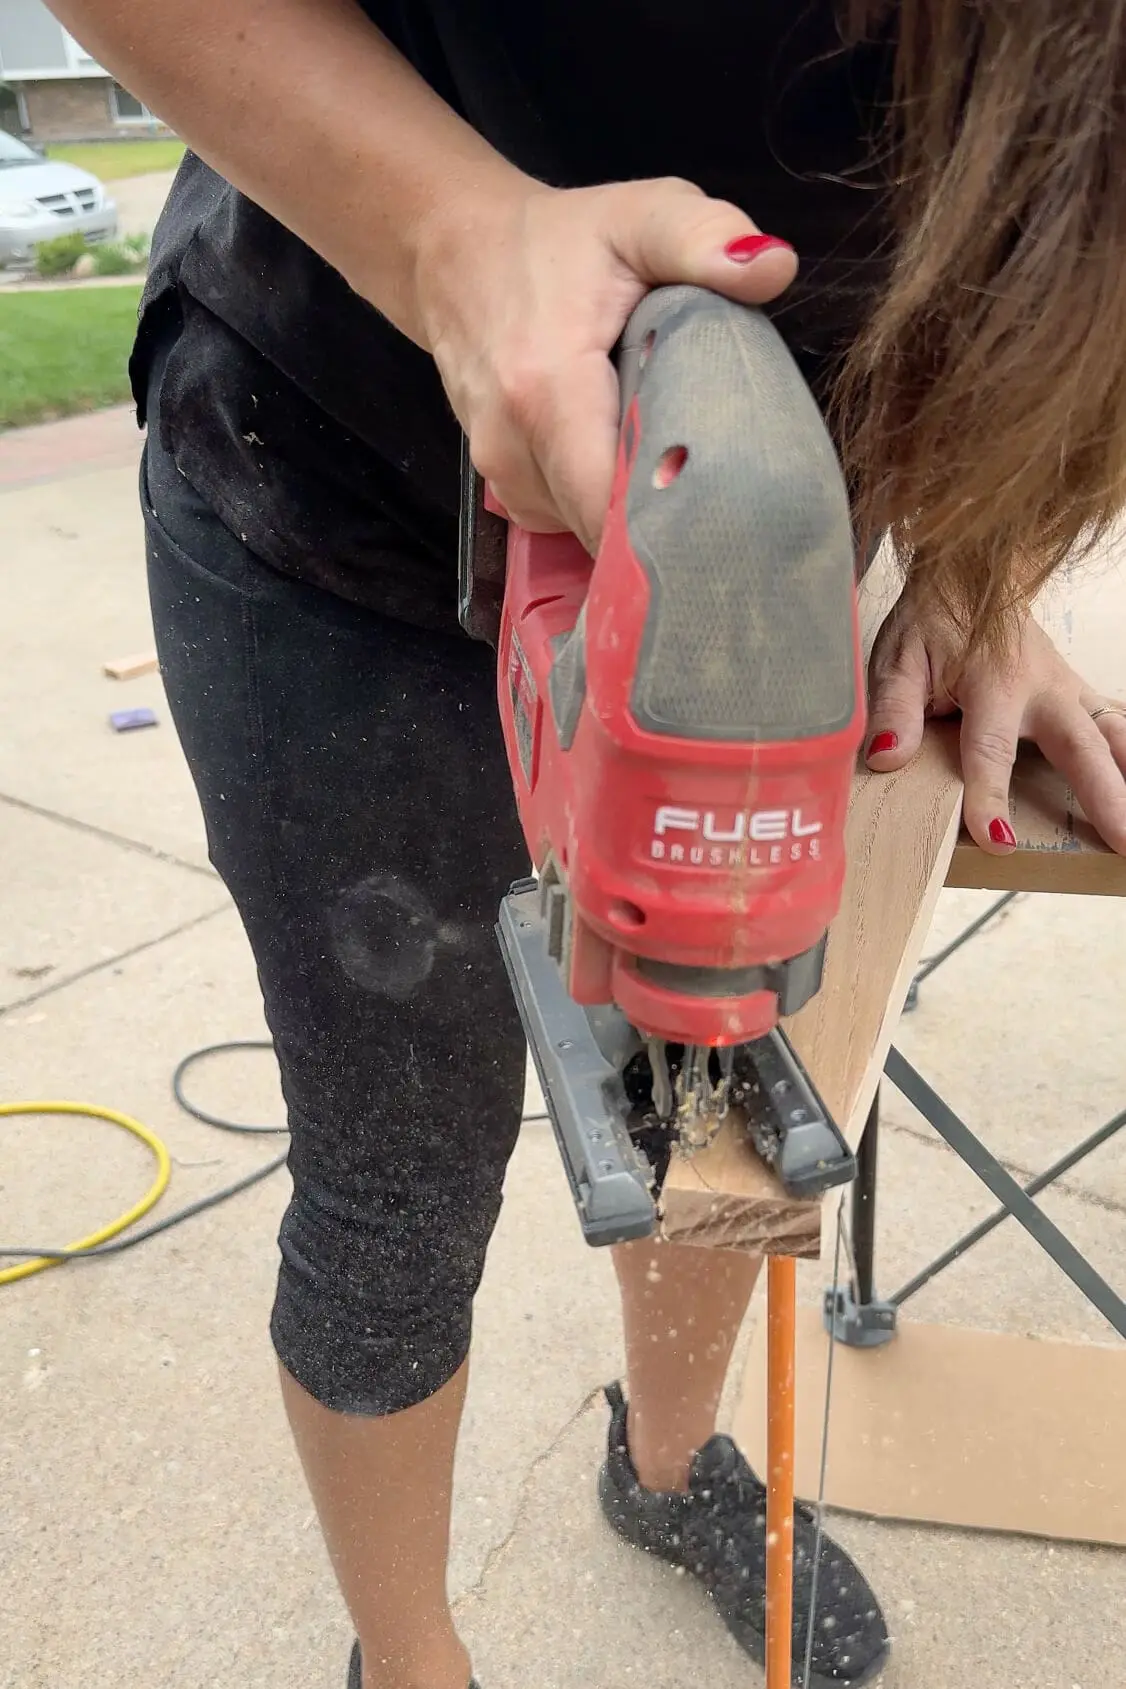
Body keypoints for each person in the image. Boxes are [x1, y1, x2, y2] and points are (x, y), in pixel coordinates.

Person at [51, 2, 1126, 1685]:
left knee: (708, 1121)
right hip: (331, 461)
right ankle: (411, 1660)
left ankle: (669, 1469)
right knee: (398, 1181)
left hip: (752, 523)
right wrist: (448, 236)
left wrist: (975, 559)